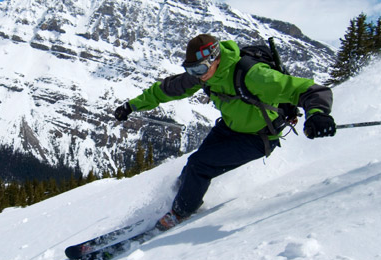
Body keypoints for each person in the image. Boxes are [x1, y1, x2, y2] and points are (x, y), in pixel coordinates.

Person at [113, 34, 336, 230]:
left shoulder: (254, 75)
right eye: (191, 70)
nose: (197, 75)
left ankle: (180, 213)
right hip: (229, 127)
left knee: (200, 165)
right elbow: (166, 90)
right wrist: (132, 106)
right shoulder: (205, 74)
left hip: (258, 138)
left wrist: (318, 114)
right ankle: (178, 199)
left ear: (215, 59)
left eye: (199, 69)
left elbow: (308, 89)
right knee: (191, 169)